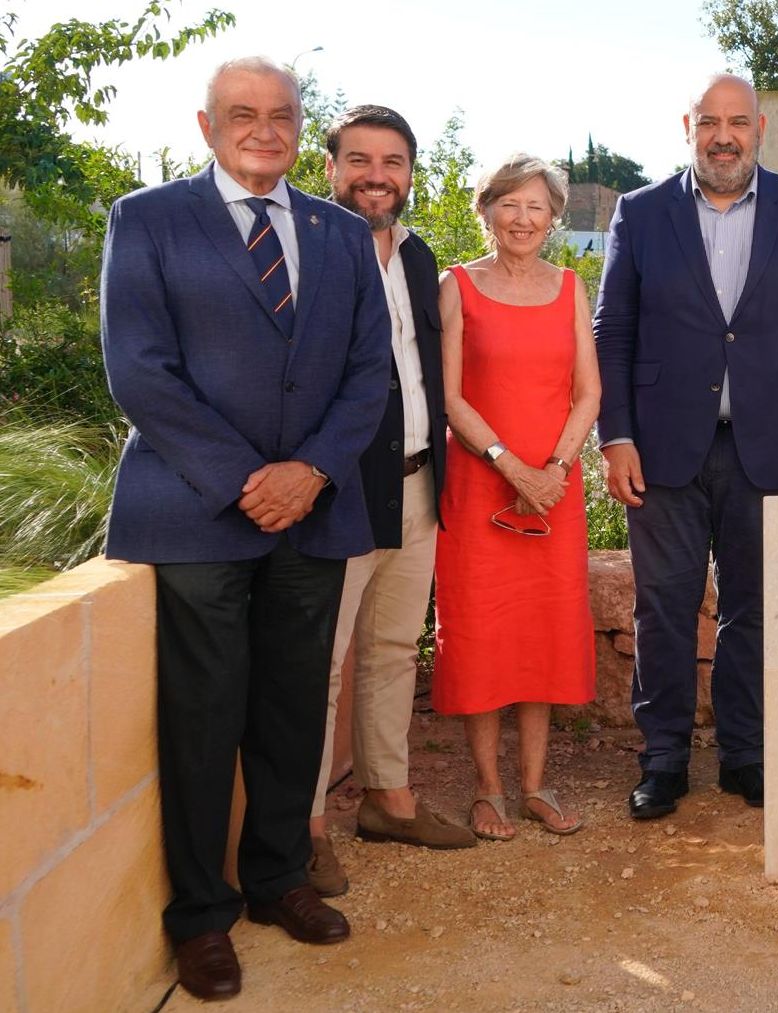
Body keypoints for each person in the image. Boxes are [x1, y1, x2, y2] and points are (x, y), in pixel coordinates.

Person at [100, 57, 390, 1000]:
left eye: (280, 115)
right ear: (206, 123)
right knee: (202, 717)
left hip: (313, 510)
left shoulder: (343, 233)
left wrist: (309, 472)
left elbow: (368, 372)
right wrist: (244, 480)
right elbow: (140, 370)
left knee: (290, 710)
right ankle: (201, 914)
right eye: (242, 114)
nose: (263, 129)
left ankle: (276, 880)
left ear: (300, 127)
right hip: (194, 512)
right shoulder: (145, 220)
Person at [595, 73, 778, 820]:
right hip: (661, 447)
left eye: (736, 122)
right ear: (688, 127)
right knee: (662, 608)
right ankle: (664, 758)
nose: (723, 135)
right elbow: (611, 331)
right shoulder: (641, 214)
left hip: (770, 447)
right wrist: (615, 434)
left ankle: (748, 752)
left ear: (760, 128)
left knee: (757, 607)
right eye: (709, 121)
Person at [305, 104, 475, 899]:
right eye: (360, 160)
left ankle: (388, 798)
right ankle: (302, 828)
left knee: (392, 651)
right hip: (336, 492)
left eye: (394, 161)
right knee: (320, 666)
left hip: (416, 482)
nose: (378, 175)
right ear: (331, 167)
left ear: (411, 172)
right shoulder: (304, 247)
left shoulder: (418, 256)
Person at [433, 154, 600, 840]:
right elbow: (449, 396)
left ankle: (534, 784)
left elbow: (588, 392)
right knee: (481, 631)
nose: (523, 218)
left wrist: (554, 468)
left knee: (543, 633)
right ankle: (488, 788)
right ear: (486, 210)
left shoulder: (570, 287)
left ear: (553, 217)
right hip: (480, 485)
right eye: (509, 204)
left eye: (536, 207)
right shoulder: (457, 286)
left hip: (555, 488)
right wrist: (511, 466)